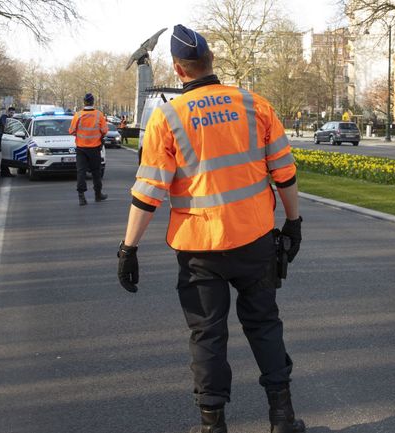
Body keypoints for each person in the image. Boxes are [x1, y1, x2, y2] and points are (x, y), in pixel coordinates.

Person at [117, 24, 305, 433]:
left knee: (207, 335)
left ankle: (212, 425)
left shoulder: (167, 118)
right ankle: (282, 417)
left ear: (178, 69)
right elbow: (285, 174)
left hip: (200, 249)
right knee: (264, 326)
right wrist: (293, 223)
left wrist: (128, 249)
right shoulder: (255, 104)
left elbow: (148, 192)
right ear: (211, 61)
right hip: (255, 240)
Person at [69, 93, 108, 205]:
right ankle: (98, 195)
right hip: (94, 148)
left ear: (84, 102)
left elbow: (71, 131)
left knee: (81, 172)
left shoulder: (78, 115)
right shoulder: (99, 115)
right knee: (96, 172)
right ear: (93, 102)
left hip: (81, 149)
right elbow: (105, 131)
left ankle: (81, 197)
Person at [0, 107, 16, 177]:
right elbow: (6, 125)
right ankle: (4, 172)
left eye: (13, 113)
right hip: (3, 139)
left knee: (6, 156)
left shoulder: (11, 119)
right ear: (8, 112)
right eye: (11, 112)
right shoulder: (4, 117)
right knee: (5, 156)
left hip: (7, 139)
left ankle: (4, 172)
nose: (12, 114)